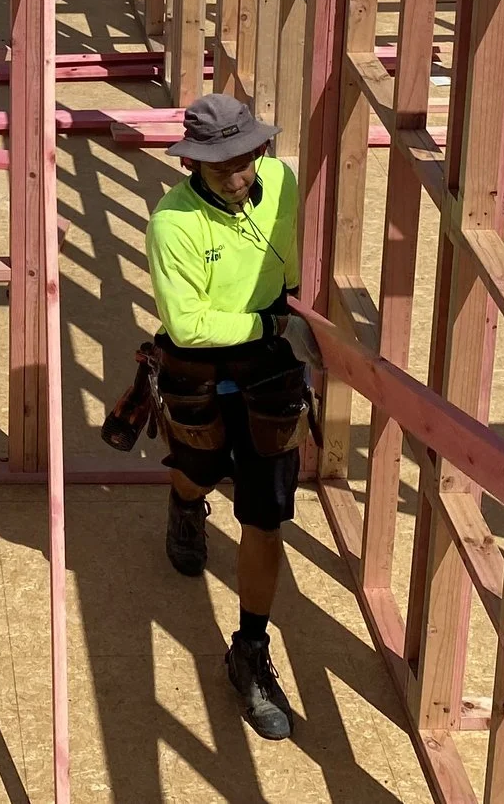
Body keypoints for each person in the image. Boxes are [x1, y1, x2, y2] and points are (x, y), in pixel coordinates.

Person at [145, 92, 309, 741]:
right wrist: (270, 320)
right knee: (200, 467)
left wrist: (300, 320)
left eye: (247, 160)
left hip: (269, 364)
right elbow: (186, 324)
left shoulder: (282, 182)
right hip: (202, 366)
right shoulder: (174, 223)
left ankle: (249, 649)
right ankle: (185, 501)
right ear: (194, 163)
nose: (239, 178)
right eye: (221, 169)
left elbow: (293, 266)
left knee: (265, 515)